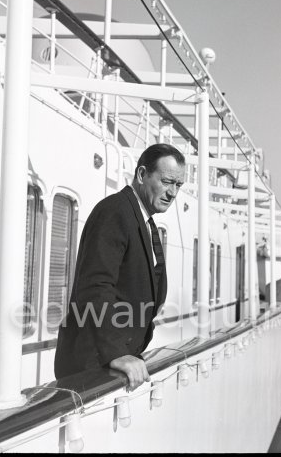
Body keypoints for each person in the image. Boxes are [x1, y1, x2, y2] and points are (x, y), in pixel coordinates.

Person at [54, 143, 186, 391]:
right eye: (167, 181)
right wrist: (116, 353)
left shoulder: (143, 219)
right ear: (141, 175)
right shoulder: (115, 212)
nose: (173, 192)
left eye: (178, 185)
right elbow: (95, 286)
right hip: (92, 365)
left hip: (111, 360)